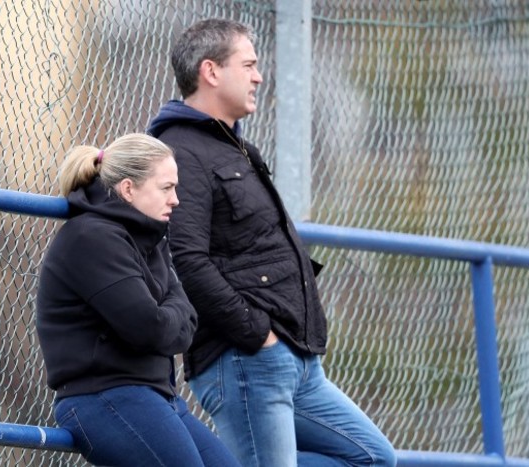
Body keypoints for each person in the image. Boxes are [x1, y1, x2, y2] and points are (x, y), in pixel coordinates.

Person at [147, 19, 397, 467]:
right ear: (211, 71)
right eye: (249, 64)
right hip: (247, 362)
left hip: (294, 360)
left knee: (374, 458)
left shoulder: (234, 146)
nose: (259, 76)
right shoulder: (182, 150)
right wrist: (255, 332)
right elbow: (185, 258)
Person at [35, 133, 241, 467]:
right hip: (103, 397)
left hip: (158, 396)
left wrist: (170, 314)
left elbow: (186, 321)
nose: (175, 199)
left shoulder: (151, 238)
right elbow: (151, 329)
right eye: (166, 188)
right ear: (128, 188)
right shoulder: (92, 237)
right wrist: (171, 313)